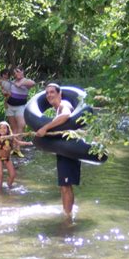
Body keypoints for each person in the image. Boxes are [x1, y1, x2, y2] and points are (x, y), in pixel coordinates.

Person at [35, 83, 81, 219]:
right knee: (64, 185)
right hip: (64, 150)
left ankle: (67, 219)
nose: (49, 95)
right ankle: (68, 214)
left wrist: (46, 128)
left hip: (69, 149)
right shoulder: (56, 110)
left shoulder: (63, 104)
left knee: (66, 185)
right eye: (47, 93)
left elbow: (66, 115)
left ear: (59, 94)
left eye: (52, 92)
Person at [0, 121, 33, 190]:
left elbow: (19, 143)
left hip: (8, 158)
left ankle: (9, 186)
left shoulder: (11, 138)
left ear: (8, 129)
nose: (2, 130)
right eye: (1, 128)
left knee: (13, 175)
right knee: (0, 175)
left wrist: (28, 143)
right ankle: (0, 189)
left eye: (4, 128)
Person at [5, 67, 35, 157]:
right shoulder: (12, 82)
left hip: (20, 107)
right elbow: (7, 93)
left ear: (22, 72)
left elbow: (33, 83)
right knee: (13, 128)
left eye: (18, 71)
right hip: (10, 106)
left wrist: (20, 82)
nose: (16, 74)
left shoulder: (26, 81)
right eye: (15, 72)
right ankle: (13, 148)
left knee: (21, 126)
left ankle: (17, 149)